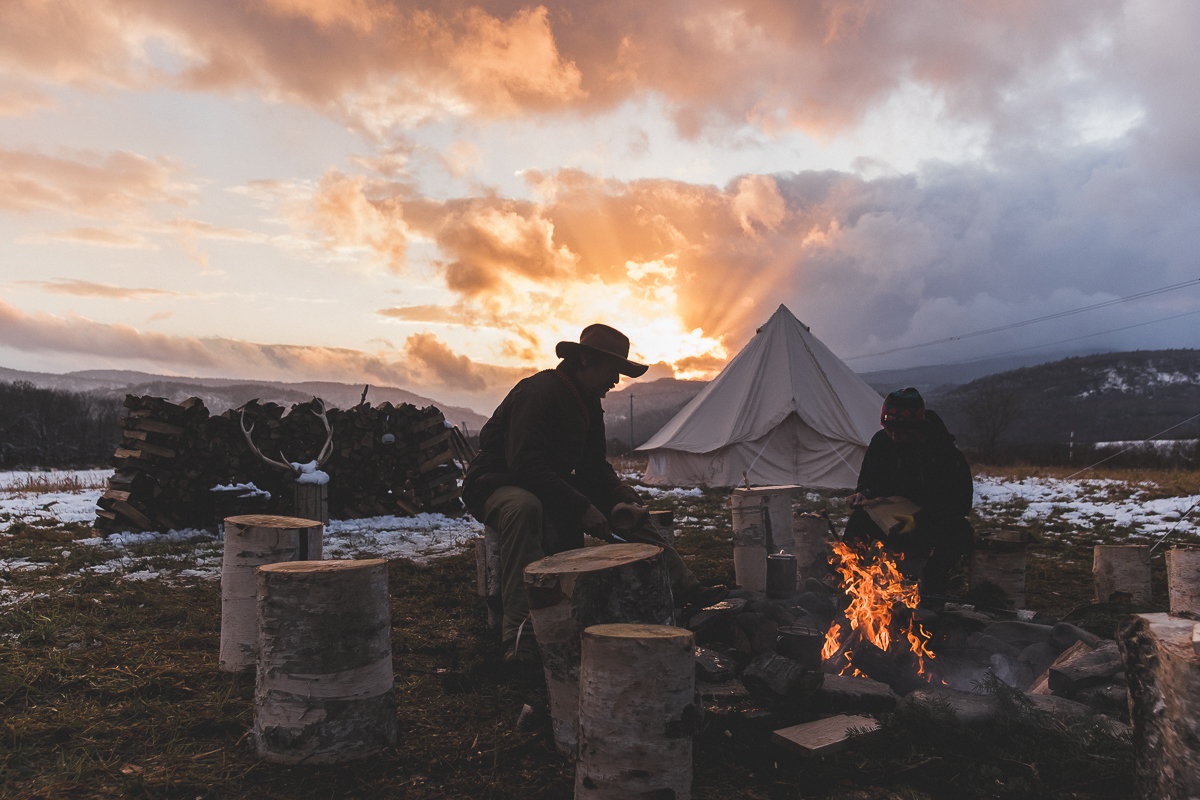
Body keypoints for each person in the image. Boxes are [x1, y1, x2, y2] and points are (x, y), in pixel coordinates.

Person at [462, 324, 728, 662]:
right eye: (613, 371)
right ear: (586, 360)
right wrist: (581, 507)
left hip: (545, 480)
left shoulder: (588, 402)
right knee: (524, 507)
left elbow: (592, 466)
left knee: (627, 510)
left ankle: (684, 586)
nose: (616, 381)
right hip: (496, 482)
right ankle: (521, 635)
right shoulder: (538, 392)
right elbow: (525, 467)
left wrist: (620, 493)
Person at [842, 387, 974, 595]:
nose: (894, 437)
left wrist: (921, 519)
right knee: (859, 520)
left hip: (929, 520)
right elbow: (870, 481)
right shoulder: (881, 443)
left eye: (901, 432)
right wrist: (863, 494)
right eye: (889, 430)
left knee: (960, 531)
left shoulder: (941, 450)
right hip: (890, 518)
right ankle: (845, 579)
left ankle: (933, 588)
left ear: (916, 428)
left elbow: (960, 503)